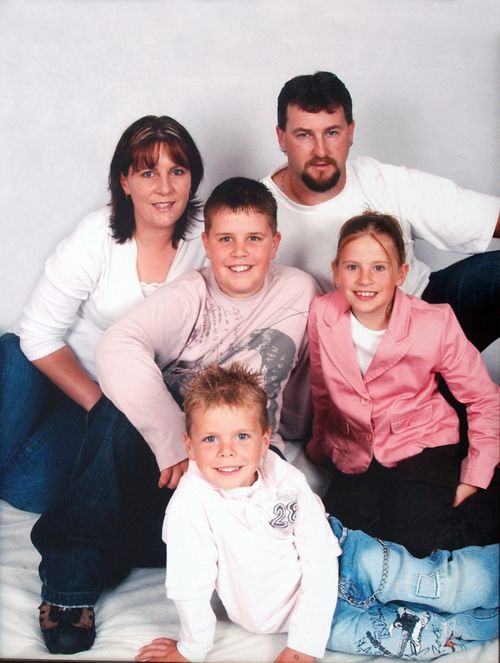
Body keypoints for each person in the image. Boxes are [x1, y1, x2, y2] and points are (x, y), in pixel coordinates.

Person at [30, 177, 319, 655]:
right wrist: (171, 442)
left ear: (276, 242)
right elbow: (117, 345)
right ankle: (69, 586)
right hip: (173, 473)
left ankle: (112, 546)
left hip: (232, 484)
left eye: (254, 238)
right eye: (226, 238)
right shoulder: (193, 292)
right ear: (206, 244)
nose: (240, 252)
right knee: (114, 409)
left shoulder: (300, 290)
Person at [135, 363, 499, 663]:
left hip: (347, 559)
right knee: (416, 641)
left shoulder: (284, 480)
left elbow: (320, 556)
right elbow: (190, 587)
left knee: (442, 584)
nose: (226, 451)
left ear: (265, 441)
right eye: (210, 439)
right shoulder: (189, 507)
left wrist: (304, 643)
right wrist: (191, 649)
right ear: (189, 444)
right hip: (315, 616)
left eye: (242, 437)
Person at [0, 115, 206, 515]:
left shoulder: (207, 240)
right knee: (13, 362)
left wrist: (114, 410)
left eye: (177, 171)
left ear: (191, 179)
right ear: (125, 182)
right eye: (149, 172)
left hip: (114, 396)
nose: (164, 188)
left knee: (35, 489)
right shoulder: (96, 235)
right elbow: (38, 336)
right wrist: (99, 405)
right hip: (42, 369)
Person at [306, 211, 499, 558]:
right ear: (336, 271)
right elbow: (322, 389)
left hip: (422, 443)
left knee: (420, 543)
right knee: (342, 536)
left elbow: (484, 400)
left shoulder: (435, 322)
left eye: (379, 267)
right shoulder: (322, 313)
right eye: (352, 267)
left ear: (401, 273)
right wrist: (319, 447)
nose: (365, 279)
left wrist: (475, 475)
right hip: (357, 453)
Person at [262, 71, 500, 352]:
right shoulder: (257, 213)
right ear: (281, 138)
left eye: (332, 132)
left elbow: (489, 218)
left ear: (350, 132)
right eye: (304, 135)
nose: (321, 150)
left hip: (424, 312)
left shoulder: (383, 181)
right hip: (346, 354)